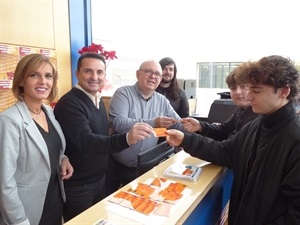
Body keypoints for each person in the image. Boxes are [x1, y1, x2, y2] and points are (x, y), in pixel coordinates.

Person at [165, 55, 300, 225]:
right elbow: (226, 152)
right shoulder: (257, 124)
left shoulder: (294, 139)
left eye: (256, 90)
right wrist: (185, 140)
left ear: (284, 91)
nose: (248, 96)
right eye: (248, 88)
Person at [54, 52, 154, 222]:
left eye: (99, 72)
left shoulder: (97, 100)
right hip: (79, 186)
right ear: (77, 74)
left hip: (100, 180)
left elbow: (102, 135)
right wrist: (127, 139)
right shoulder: (69, 104)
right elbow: (87, 141)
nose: (95, 77)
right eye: (88, 71)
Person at [0, 53, 74, 225]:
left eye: (48, 76)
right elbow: (4, 182)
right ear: (21, 81)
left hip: (53, 204)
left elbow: (50, 147)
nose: (43, 81)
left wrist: (63, 159)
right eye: (34, 75)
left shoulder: (48, 112)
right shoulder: (9, 120)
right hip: (26, 213)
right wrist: (19, 221)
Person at [105, 59, 183, 196]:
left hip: (144, 167)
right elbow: (119, 123)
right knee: (105, 205)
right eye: (148, 72)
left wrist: (197, 128)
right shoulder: (123, 93)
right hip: (116, 165)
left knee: (136, 206)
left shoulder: (162, 100)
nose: (153, 76)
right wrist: (154, 123)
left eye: (157, 74)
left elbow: (177, 122)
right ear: (138, 74)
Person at [183, 62, 258, 141]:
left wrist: (188, 141)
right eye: (233, 88)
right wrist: (200, 126)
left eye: (243, 87)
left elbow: (229, 148)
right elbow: (224, 131)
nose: (238, 92)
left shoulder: (256, 116)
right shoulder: (241, 109)